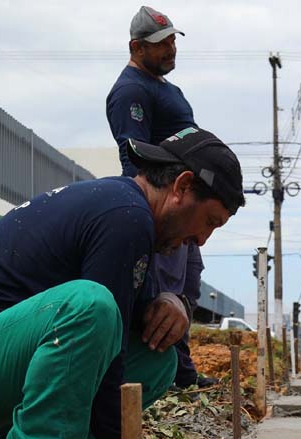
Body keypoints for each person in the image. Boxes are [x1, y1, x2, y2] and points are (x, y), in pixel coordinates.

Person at [0, 127, 245, 439]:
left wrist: (173, 303)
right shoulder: (126, 215)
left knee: (157, 357)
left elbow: (122, 330)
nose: (202, 240)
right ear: (181, 186)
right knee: (90, 305)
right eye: (210, 221)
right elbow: (101, 329)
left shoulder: (126, 212)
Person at [106, 6, 212, 388]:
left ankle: (182, 371)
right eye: (160, 44)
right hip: (166, 205)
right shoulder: (130, 90)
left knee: (188, 284)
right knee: (164, 289)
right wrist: (151, 212)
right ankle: (163, 374)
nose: (170, 49)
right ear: (136, 47)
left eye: (172, 41)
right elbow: (133, 153)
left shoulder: (166, 88)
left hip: (187, 202)